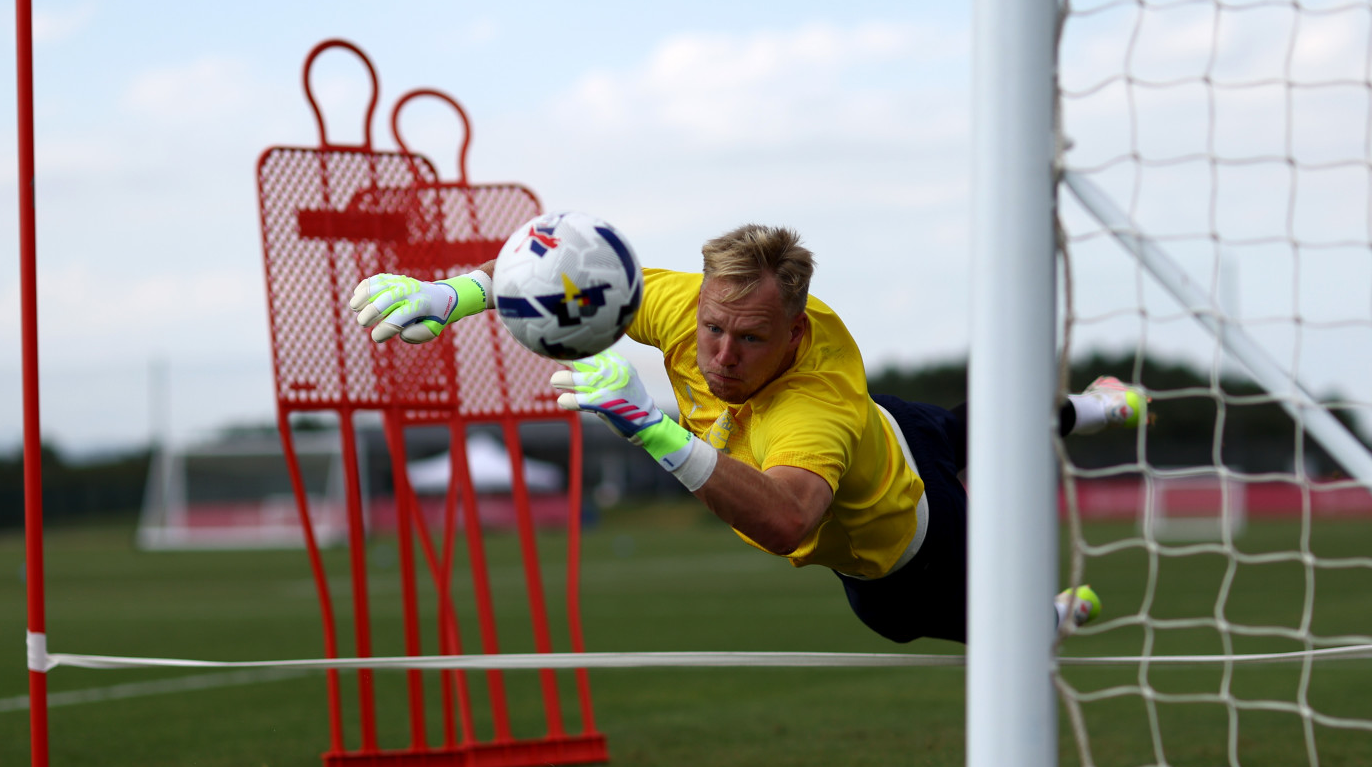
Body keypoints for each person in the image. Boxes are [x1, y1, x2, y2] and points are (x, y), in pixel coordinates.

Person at [347, 224, 1145, 645]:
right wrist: (449, 295)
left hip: (913, 541)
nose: (720, 355)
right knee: (988, 421)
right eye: (712, 329)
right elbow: (557, 276)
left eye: (751, 340)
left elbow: (787, 518)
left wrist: (648, 426)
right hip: (889, 427)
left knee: (973, 623)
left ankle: (1049, 613)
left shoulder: (814, 408)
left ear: (795, 333)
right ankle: (1103, 404)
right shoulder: (688, 302)